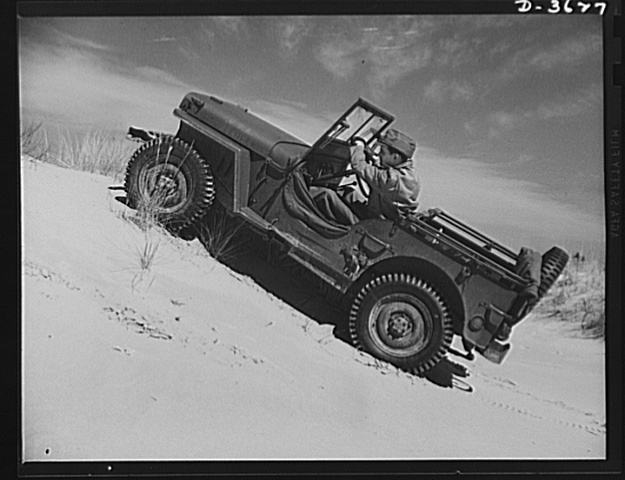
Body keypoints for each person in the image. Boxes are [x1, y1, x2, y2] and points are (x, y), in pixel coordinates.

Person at [310, 128, 421, 225]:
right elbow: (381, 171)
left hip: (374, 225)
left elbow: (359, 165)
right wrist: (372, 157)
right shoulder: (406, 173)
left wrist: (358, 148)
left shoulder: (394, 179)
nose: (379, 154)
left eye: (382, 152)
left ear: (395, 157)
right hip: (379, 217)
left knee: (325, 195)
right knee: (347, 192)